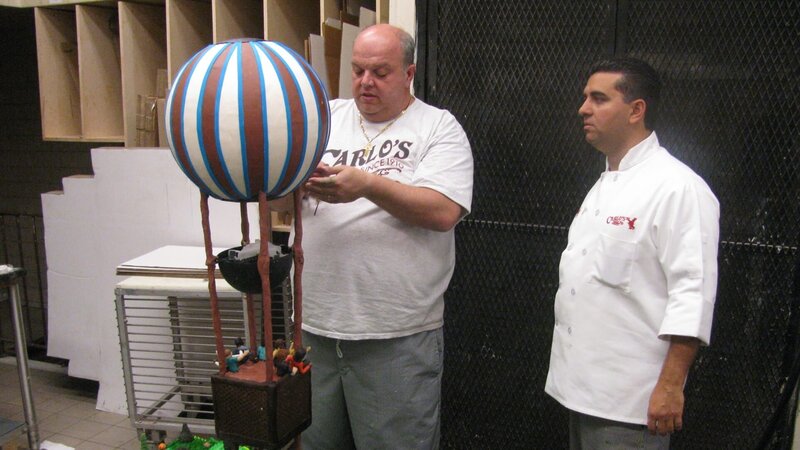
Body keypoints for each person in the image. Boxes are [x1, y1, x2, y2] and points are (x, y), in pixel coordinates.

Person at [297, 23, 474, 449]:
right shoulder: (322, 119)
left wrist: (367, 185)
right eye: (357, 70)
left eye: (380, 72)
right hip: (316, 328)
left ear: (409, 73)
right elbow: (276, 200)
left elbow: (443, 211)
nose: (365, 82)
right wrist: (287, 181)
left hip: (396, 335)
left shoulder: (438, 127)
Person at [544, 57, 719, 449]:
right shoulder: (604, 185)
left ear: (636, 110)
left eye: (599, 98)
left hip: (632, 405)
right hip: (580, 392)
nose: (583, 108)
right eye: (585, 97)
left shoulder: (678, 188)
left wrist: (671, 386)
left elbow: (692, 293)